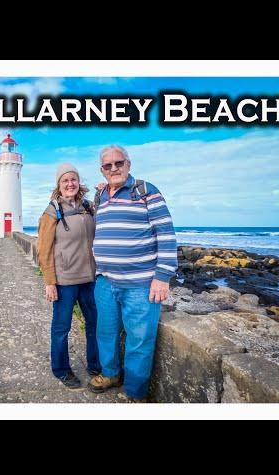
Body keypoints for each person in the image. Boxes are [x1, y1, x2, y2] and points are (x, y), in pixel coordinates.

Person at [88, 145, 178, 401]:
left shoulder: (146, 191)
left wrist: (162, 277)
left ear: (128, 164)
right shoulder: (101, 196)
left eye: (119, 163)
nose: (114, 168)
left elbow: (166, 234)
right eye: (108, 166)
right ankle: (110, 373)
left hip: (140, 284)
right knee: (105, 333)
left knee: (139, 341)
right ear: (102, 170)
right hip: (105, 281)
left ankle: (134, 393)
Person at [37, 163, 101, 389]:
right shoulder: (51, 211)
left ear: (79, 182)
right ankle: (61, 369)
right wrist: (49, 282)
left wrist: (103, 193)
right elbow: (43, 250)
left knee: (95, 323)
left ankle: (95, 364)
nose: (70, 184)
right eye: (65, 181)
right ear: (59, 185)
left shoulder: (89, 207)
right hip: (65, 281)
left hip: (90, 279)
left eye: (73, 179)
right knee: (61, 327)